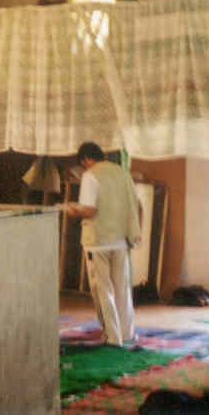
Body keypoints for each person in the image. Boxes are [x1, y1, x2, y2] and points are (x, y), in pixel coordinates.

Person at [63, 141, 142, 348]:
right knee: (122, 289)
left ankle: (112, 337)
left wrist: (72, 209)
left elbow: (89, 210)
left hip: (98, 242)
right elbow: (137, 205)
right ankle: (127, 334)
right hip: (121, 240)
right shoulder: (122, 173)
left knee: (103, 290)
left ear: (86, 160)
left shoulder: (91, 175)